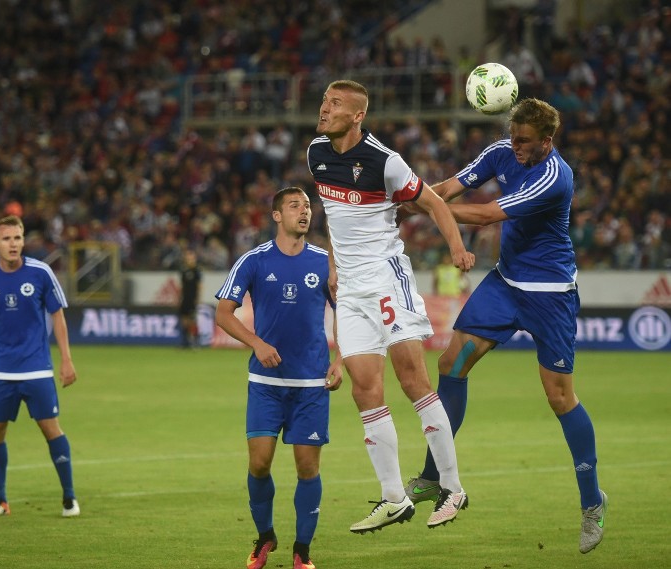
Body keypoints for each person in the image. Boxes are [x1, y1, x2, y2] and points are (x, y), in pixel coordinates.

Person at [404, 98, 607, 554]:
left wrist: (425, 208)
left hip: (550, 294)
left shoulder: (556, 177)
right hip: (506, 282)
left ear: (546, 142)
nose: (514, 147)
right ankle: (435, 477)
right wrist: (415, 198)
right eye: (513, 137)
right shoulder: (501, 151)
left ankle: (592, 502)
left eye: (524, 142)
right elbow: (451, 187)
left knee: (559, 397)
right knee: (451, 362)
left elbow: (487, 214)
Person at [307, 79, 475, 533]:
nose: (325, 108)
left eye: (335, 103)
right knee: (365, 390)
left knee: (412, 379)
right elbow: (335, 218)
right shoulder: (316, 154)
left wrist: (457, 248)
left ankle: (453, 489)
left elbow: (435, 204)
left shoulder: (385, 162)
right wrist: (334, 264)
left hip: (386, 279)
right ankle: (394, 498)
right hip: (352, 292)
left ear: (358, 114)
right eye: (324, 100)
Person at [215, 187, 344, 569]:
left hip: (311, 385)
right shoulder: (253, 261)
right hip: (266, 385)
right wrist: (256, 343)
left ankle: (302, 550)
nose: (304, 212)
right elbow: (223, 313)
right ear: (276, 215)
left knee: (308, 468)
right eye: (294, 206)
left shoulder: (325, 263)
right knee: (259, 464)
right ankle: (265, 536)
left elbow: (348, 313)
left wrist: (341, 360)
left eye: (307, 207)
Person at [0, 215, 79, 518]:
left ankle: (69, 497)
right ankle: (0, 500)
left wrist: (66, 359)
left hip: (37, 367)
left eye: (17, 238)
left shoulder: (41, 272)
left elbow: (57, 315)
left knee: (50, 428)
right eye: (6, 239)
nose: (13, 244)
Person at [178, 249, 202, 348]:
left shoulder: (196, 271)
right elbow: (182, 286)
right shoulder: (183, 271)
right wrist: (179, 298)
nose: (189, 260)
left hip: (192, 299)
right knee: (184, 321)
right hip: (185, 299)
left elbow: (199, 286)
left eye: (191, 258)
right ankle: (185, 342)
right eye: (188, 258)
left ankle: (196, 342)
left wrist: (197, 298)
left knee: (192, 321)